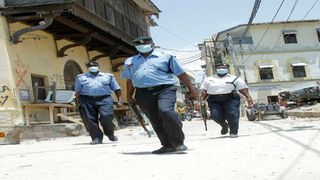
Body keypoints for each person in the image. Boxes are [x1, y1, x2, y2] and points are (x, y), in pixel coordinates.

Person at [121, 36, 198, 154]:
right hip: (142, 93)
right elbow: (130, 79)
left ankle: (178, 142)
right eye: (138, 44)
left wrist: (191, 89)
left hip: (165, 89)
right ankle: (167, 145)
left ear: (152, 44)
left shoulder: (166, 56)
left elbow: (181, 73)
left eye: (144, 43)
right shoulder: (130, 61)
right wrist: (129, 96)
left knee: (166, 111)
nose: (142, 46)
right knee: (154, 119)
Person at [75, 61, 123, 144]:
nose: (93, 67)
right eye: (90, 66)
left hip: (105, 99)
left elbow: (117, 89)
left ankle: (110, 133)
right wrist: (78, 102)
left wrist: (120, 100)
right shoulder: (81, 77)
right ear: (88, 68)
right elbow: (78, 91)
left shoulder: (108, 76)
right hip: (86, 100)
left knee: (106, 117)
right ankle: (97, 138)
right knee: (90, 120)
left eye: (95, 65)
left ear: (98, 66)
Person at [200, 63, 253, 138]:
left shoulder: (234, 78)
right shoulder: (208, 79)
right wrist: (202, 100)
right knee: (215, 115)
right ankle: (224, 125)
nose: (221, 69)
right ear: (216, 69)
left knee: (232, 114)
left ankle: (233, 132)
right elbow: (204, 91)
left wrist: (248, 97)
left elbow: (242, 88)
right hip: (214, 99)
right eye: (219, 67)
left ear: (227, 68)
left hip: (231, 98)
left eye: (223, 67)